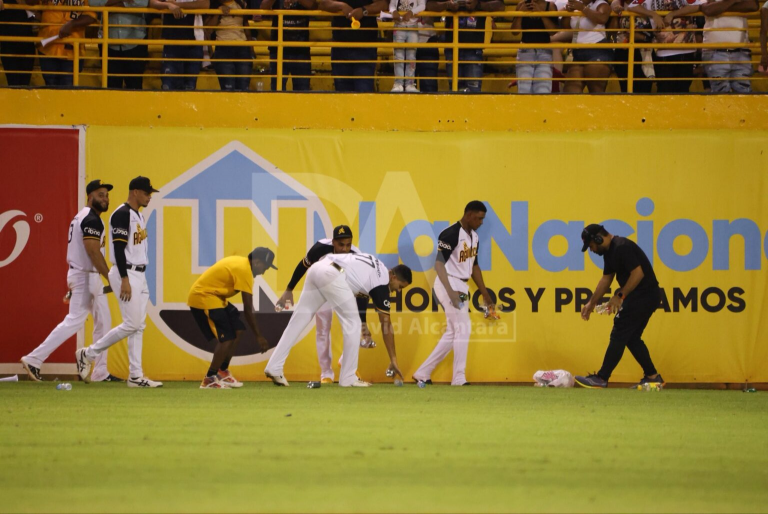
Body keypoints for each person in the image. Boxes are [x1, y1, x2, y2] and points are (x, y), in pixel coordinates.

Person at [21, 180, 121, 383]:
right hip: (85, 275)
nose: (105, 198)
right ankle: (34, 358)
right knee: (74, 321)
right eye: (100, 194)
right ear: (89, 196)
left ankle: (100, 371)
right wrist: (110, 276)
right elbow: (92, 251)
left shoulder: (85, 217)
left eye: (107, 195)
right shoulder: (90, 218)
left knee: (104, 322)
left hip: (85, 275)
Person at [264, 253, 412, 387]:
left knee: (299, 319)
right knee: (352, 324)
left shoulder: (377, 267)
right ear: (393, 277)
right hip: (333, 274)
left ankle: (274, 366)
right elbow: (386, 324)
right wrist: (393, 359)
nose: (398, 291)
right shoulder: (382, 283)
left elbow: (361, 298)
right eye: (400, 286)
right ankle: (348, 377)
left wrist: (364, 325)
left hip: (317, 269)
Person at [75, 176, 163, 388]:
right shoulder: (122, 215)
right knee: (131, 323)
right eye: (146, 192)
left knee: (138, 326)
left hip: (139, 274)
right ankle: (88, 353)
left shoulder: (138, 216)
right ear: (134, 192)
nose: (149, 196)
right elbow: (119, 249)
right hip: (127, 273)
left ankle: (135, 376)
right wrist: (124, 278)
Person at [276, 225, 374, 384]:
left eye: (348, 244)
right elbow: (303, 266)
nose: (345, 248)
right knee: (322, 328)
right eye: (341, 244)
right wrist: (289, 289)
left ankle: (346, 363)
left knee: (352, 325)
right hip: (320, 287)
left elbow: (362, 292)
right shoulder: (320, 248)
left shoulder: (356, 256)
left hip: (343, 289)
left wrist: (363, 322)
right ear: (333, 242)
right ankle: (326, 373)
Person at [412, 201, 495, 386]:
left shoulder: (474, 237)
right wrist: (451, 292)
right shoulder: (450, 233)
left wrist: (485, 294)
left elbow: (474, 266)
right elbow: (439, 264)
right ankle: (458, 377)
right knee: (463, 328)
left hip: (462, 286)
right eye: (479, 218)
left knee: (453, 331)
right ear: (468, 215)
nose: (482, 222)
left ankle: (422, 373)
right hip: (447, 283)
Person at [575, 224, 664, 388]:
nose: (591, 250)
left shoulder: (622, 247)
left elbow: (638, 273)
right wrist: (591, 303)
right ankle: (652, 377)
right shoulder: (609, 253)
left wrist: (620, 296)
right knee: (631, 337)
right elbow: (606, 280)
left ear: (598, 238)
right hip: (644, 296)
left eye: (591, 246)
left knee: (620, 330)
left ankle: (601, 378)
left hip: (645, 295)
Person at [188, 248, 275, 388]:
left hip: (216, 296)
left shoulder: (243, 264)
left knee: (238, 329)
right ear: (257, 262)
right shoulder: (245, 270)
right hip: (203, 296)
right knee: (227, 337)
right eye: (265, 267)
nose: (264, 271)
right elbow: (248, 309)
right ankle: (209, 378)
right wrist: (259, 336)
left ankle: (222, 372)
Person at [427, 0, 504, 92]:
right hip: (453, 48)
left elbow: (500, 6)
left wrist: (478, 4)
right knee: (455, 90)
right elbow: (430, 5)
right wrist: (447, 4)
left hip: (473, 48)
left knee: (473, 91)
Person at [627, 0, 702, 93]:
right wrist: (653, 14)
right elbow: (631, 6)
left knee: (683, 91)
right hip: (663, 53)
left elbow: (697, 5)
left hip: (686, 51)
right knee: (664, 91)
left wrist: (673, 14)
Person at [319, 0, 388, 92]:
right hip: (340, 48)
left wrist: (363, 10)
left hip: (365, 48)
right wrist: (341, 6)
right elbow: (322, 3)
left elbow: (384, 4)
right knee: (342, 94)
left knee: (363, 93)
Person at [33, 0, 97, 86]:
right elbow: (31, 4)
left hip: (72, 48)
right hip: (48, 47)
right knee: (50, 88)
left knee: (68, 88)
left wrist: (72, 24)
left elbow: (91, 16)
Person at [150, 0, 210, 90]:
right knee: (168, 84)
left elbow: (205, 4)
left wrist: (177, 5)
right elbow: (152, 3)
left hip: (193, 42)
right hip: (172, 41)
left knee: (190, 86)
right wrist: (168, 5)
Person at [700, 0, 757, 93]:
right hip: (715, 51)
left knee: (744, 93)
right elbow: (708, 9)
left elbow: (753, 5)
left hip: (741, 50)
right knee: (720, 94)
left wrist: (721, 7)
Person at [90, 0, 149, 89]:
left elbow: (143, 2)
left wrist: (111, 5)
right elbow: (93, 2)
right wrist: (126, 3)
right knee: (111, 88)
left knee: (135, 87)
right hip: (109, 41)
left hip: (135, 41)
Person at [262, 0, 315, 91]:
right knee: (277, 91)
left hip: (301, 50)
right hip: (278, 50)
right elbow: (263, 7)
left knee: (302, 92)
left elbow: (313, 6)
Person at [562, 0, 612, 93]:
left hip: (597, 50)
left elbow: (602, 18)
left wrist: (583, 8)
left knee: (596, 90)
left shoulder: (601, 4)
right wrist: (568, 12)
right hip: (578, 52)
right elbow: (566, 26)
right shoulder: (576, 5)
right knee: (570, 91)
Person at [512, 0, 559, 94]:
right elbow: (514, 32)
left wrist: (540, 13)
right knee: (524, 91)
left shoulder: (550, 6)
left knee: (543, 90)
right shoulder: (521, 5)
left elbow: (553, 31)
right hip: (525, 51)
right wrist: (520, 14)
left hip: (544, 52)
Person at [206, 0, 253, 91]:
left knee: (244, 87)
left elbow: (245, 25)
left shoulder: (241, 4)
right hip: (224, 48)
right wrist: (218, 12)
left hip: (242, 48)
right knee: (228, 87)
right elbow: (208, 30)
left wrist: (251, 47)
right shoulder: (213, 5)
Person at [609, 0, 654, 93]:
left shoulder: (649, 3)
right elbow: (611, 30)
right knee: (625, 87)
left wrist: (641, 37)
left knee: (644, 87)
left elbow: (656, 30)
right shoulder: (617, 4)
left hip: (645, 49)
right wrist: (615, 14)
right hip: (623, 49)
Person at [388, 0, 425, 92]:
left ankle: (410, 84)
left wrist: (411, 12)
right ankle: (398, 83)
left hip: (413, 26)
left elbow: (422, 5)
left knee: (411, 57)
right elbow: (392, 4)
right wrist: (393, 11)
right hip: (399, 26)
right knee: (398, 57)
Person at [0, 0, 37, 86]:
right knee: (13, 83)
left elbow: (35, 15)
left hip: (27, 45)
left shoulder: (25, 2)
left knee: (24, 84)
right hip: (8, 46)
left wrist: (25, 6)